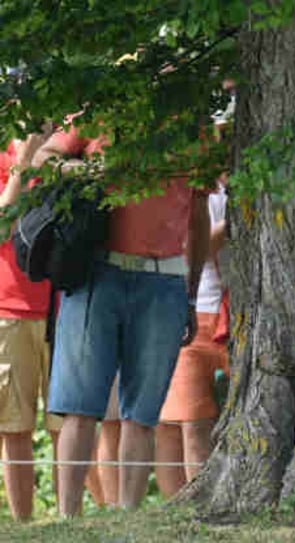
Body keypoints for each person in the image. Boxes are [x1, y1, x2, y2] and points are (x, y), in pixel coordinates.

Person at [48, 129, 211, 515]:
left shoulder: (195, 127)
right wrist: (86, 170)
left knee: (143, 412)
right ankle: (67, 518)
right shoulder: (104, 108)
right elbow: (43, 159)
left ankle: (128, 517)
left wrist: (191, 293)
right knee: (80, 406)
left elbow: (199, 216)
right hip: (96, 273)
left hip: (164, 278)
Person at [154, 180, 228, 497]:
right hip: (193, 315)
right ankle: (190, 507)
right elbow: (189, 250)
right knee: (190, 422)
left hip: (236, 317)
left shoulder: (249, 185)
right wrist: (232, 222)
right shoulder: (182, 187)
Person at [0, 129, 59, 521]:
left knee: (68, 426)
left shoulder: (67, 148)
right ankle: (24, 528)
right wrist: (24, 160)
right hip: (10, 311)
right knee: (15, 428)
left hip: (64, 307)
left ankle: (73, 522)